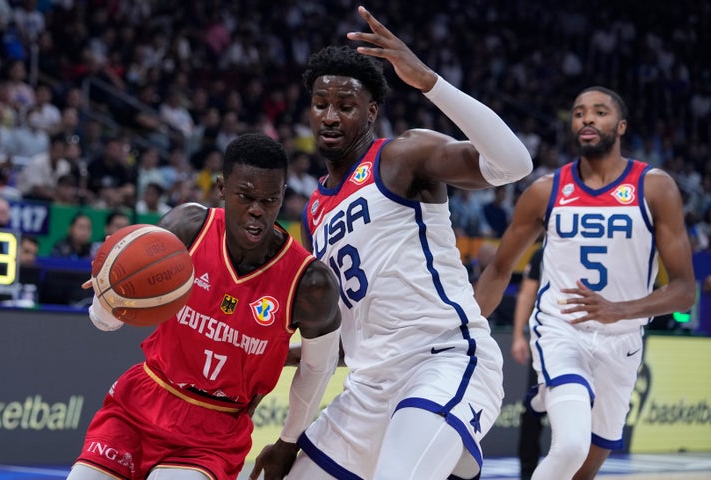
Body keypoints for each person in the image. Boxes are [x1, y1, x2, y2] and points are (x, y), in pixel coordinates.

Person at [259, 6, 532, 480]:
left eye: (344, 106)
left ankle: (447, 454)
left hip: (443, 359)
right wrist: (274, 353)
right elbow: (346, 332)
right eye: (320, 103)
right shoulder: (314, 211)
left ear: (371, 111)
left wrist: (429, 81)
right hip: (369, 385)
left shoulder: (403, 155)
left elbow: (514, 164)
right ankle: (454, 465)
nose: (329, 115)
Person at [66, 133, 342, 480]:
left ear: (283, 196)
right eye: (246, 196)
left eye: (269, 200)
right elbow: (105, 324)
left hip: (215, 429)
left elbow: (318, 369)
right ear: (222, 188)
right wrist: (108, 290)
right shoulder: (188, 228)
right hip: (144, 399)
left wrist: (288, 442)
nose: (257, 209)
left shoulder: (310, 282)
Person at [474, 86, 696, 480]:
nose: (587, 119)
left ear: (621, 126)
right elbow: (499, 268)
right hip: (562, 329)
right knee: (571, 445)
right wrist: (466, 327)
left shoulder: (654, 187)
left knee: (585, 467)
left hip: (623, 339)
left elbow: (684, 290)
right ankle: (556, 389)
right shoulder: (545, 191)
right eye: (578, 113)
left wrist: (620, 310)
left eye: (599, 112)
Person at [511, 246, 544, 480]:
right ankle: (527, 473)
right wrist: (518, 335)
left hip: (591, 338)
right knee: (532, 410)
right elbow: (526, 293)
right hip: (547, 341)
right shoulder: (541, 253)